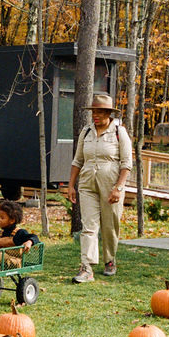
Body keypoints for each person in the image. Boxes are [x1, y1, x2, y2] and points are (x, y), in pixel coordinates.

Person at [67, 94, 132, 283]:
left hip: (111, 184)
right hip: (87, 184)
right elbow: (78, 160)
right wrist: (71, 184)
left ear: (109, 113)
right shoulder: (86, 132)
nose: (95, 115)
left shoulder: (119, 132)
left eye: (100, 112)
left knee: (110, 226)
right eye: (94, 111)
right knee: (89, 226)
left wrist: (118, 188)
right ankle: (86, 268)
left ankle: (110, 260)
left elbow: (127, 164)